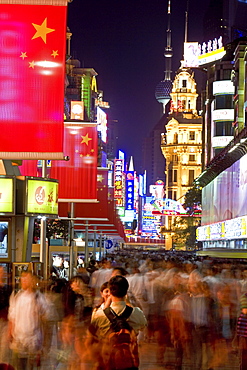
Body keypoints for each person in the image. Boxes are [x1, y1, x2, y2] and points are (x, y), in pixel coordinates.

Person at [86, 275, 147, 370]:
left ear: (110, 292)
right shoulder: (137, 312)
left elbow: (92, 333)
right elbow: (143, 326)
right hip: (128, 360)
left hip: (107, 359)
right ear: (126, 291)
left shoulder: (99, 314)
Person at [8, 271, 49, 369]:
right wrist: (10, 333)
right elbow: (12, 317)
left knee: (31, 366)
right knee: (19, 366)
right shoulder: (17, 296)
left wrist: (45, 342)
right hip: (19, 340)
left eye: (26, 279)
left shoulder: (39, 298)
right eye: (22, 279)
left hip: (33, 341)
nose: (23, 281)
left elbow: (44, 320)